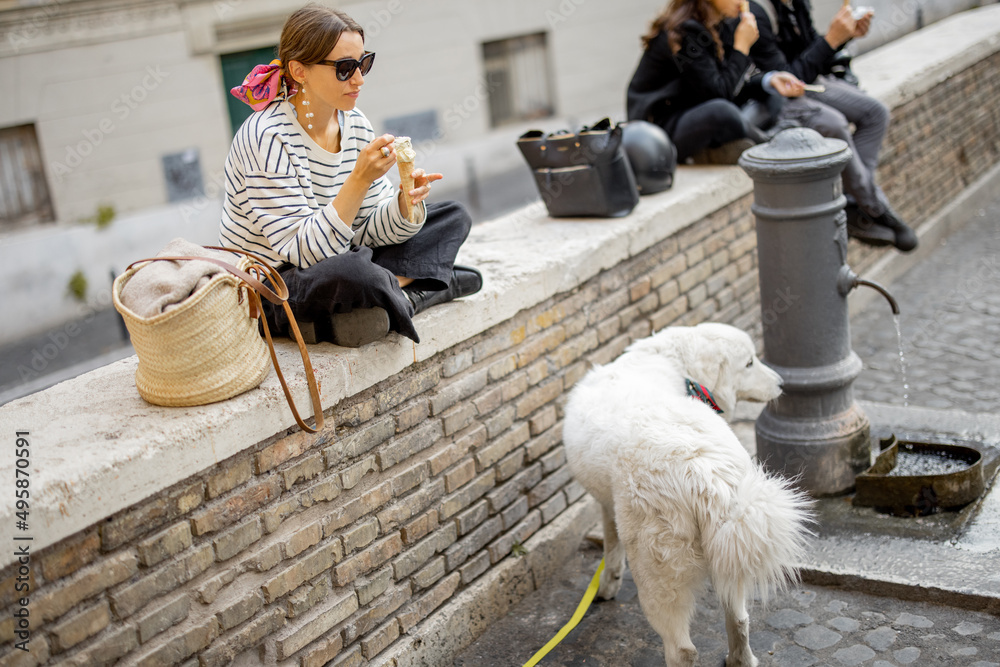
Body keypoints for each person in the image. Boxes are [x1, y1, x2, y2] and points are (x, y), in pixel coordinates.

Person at [220, 5, 482, 348]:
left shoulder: (354, 122)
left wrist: (404, 204)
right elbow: (304, 253)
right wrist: (358, 179)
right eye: (344, 68)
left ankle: (388, 299)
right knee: (353, 272)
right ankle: (423, 287)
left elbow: (367, 227)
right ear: (299, 70)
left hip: (340, 254)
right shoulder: (266, 137)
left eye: (364, 63)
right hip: (277, 283)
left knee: (451, 216)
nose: (359, 79)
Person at [744, 0, 918, 251]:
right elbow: (787, 79)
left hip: (809, 82)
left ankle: (852, 203)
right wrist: (830, 40)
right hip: (774, 99)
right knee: (834, 124)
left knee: (875, 112)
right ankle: (876, 208)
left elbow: (814, 57)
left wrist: (844, 36)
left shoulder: (797, 4)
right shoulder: (758, 12)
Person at [626, 0, 806, 165]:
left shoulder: (720, 21)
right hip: (660, 130)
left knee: (771, 94)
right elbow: (720, 93)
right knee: (722, 112)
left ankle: (715, 149)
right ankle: (768, 141)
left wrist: (768, 80)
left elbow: (722, 82)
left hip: (696, 107)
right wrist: (741, 47)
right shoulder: (683, 31)